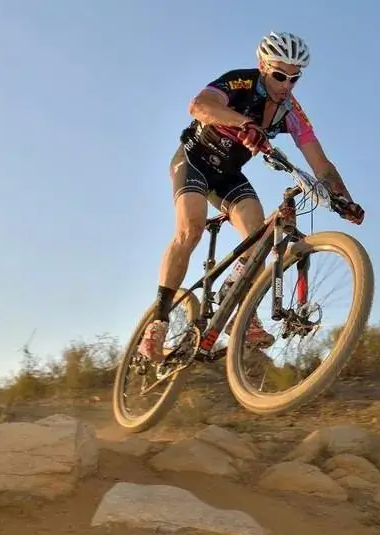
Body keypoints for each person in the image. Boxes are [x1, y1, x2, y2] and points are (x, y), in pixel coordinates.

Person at [139, 31, 365, 363]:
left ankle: (238, 309)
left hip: (228, 176)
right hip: (195, 161)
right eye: (279, 75)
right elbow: (199, 106)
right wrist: (244, 123)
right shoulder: (240, 82)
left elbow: (321, 164)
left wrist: (344, 199)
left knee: (259, 240)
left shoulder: (290, 111)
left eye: (294, 78)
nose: (287, 85)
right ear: (262, 67)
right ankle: (158, 322)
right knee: (191, 228)